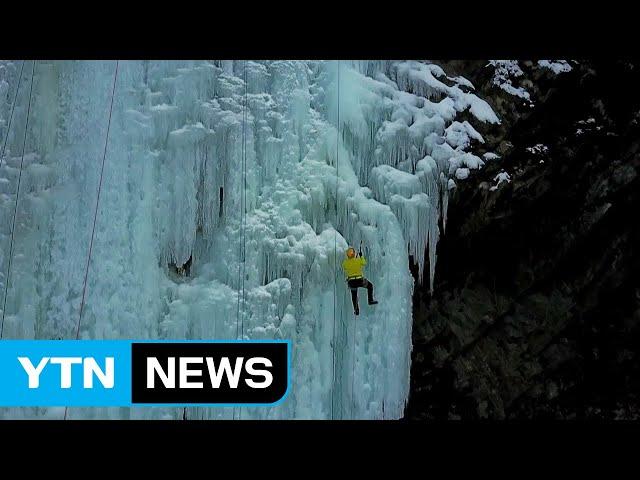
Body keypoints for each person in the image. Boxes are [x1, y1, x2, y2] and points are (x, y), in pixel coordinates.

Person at [341, 244, 378, 316]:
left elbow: (344, 266)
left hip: (351, 282)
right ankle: (370, 300)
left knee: (354, 296)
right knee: (370, 286)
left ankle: (356, 310)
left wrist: (349, 261)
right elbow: (364, 263)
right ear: (354, 254)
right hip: (359, 280)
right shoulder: (357, 260)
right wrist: (361, 256)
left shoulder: (346, 262)